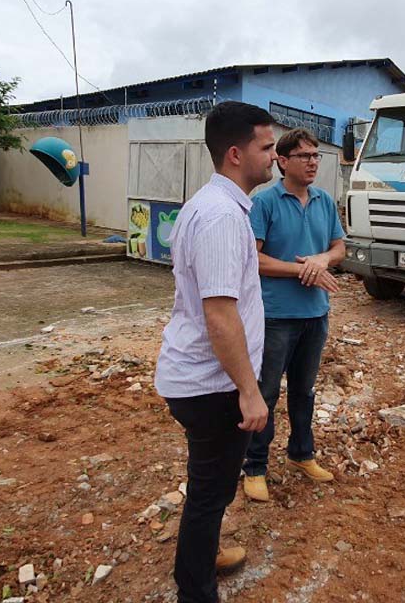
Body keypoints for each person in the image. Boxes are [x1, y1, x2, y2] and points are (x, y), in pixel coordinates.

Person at [155, 101, 275, 603]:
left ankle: (203, 557)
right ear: (234, 154)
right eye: (266, 148)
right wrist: (250, 392)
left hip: (204, 378)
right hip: (213, 385)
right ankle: (195, 589)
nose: (274, 157)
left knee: (210, 487)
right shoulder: (223, 217)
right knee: (209, 493)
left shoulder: (210, 205)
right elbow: (220, 316)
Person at [241, 128, 346, 502]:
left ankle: (302, 454)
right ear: (283, 161)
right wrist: (302, 270)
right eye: (305, 156)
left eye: (316, 155)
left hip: (315, 315)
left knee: (304, 391)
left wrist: (322, 260)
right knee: (265, 393)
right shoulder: (264, 202)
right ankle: (254, 466)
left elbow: (339, 246)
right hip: (276, 317)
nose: (314, 162)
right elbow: (253, 258)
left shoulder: (324, 201)